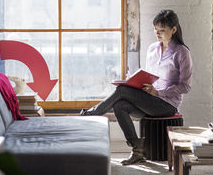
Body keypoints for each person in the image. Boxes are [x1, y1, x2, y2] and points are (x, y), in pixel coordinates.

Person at [80, 9, 193, 165]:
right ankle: (137, 150)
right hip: (150, 102)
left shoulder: (182, 52)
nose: (157, 33)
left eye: (162, 30)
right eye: (155, 29)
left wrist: (158, 92)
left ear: (173, 30)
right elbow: (149, 77)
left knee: (121, 91)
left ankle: (92, 114)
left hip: (167, 105)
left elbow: (185, 86)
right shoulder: (152, 49)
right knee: (120, 105)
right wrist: (135, 82)